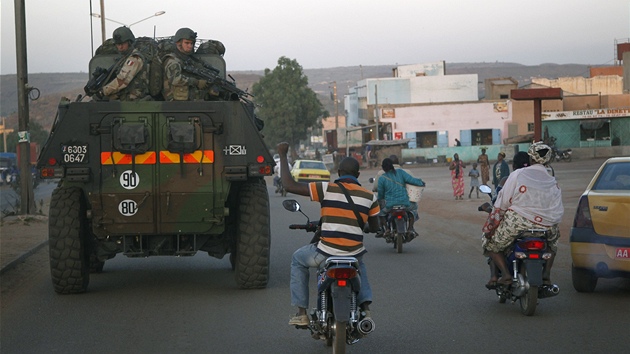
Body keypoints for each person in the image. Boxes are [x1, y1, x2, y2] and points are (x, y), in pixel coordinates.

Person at [277, 142, 380, 327]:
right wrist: (363, 227)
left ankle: (301, 313)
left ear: (339, 172)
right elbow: (375, 227)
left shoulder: (326, 188)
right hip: (353, 254)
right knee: (360, 264)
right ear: (358, 175)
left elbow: (288, 184)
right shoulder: (369, 197)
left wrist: (283, 155)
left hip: (326, 253)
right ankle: (366, 311)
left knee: (298, 259)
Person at [481, 142, 563, 288]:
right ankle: (546, 276)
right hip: (548, 225)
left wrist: (494, 222)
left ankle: (505, 275)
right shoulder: (552, 180)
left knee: (490, 244)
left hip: (518, 222)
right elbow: (557, 206)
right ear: (548, 160)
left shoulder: (518, 174)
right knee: (552, 245)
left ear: (531, 159)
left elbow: (503, 201)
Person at [377, 157, 426, 237]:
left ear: (383, 168)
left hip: (390, 206)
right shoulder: (400, 172)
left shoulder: (382, 178)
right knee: (414, 209)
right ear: (392, 166)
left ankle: (386, 229)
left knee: (381, 213)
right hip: (405, 204)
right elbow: (412, 180)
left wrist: (380, 201)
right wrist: (421, 182)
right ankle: (410, 229)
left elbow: (381, 194)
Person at [98, 27, 150, 101]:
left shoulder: (135, 58)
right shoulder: (125, 58)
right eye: (118, 44)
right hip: (125, 98)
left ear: (129, 42)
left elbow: (122, 81)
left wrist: (103, 92)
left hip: (134, 100)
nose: (120, 47)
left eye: (122, 44)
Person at [162, 27, 209, 101]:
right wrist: (196, 82)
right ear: (178, 43)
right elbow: (176, 79)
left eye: (191, 43)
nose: (190, 46)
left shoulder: (188, 60)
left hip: (188, 102)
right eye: (187, 43)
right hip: (175, 104)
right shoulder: (172, 60)